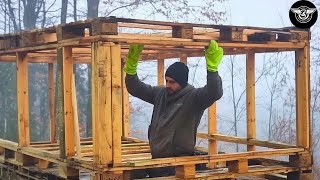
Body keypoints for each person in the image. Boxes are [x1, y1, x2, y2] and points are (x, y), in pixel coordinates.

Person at [124, 40, 223, 178]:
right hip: (158, 162)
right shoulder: (160, 94)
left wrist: (212, 70)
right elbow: (136, 88)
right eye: (167, 81)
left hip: (179, 165)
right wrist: (131, 68)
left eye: (172, 82)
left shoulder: (194, 98)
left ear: (182, 83)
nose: (168, 85)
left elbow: (214, 92)